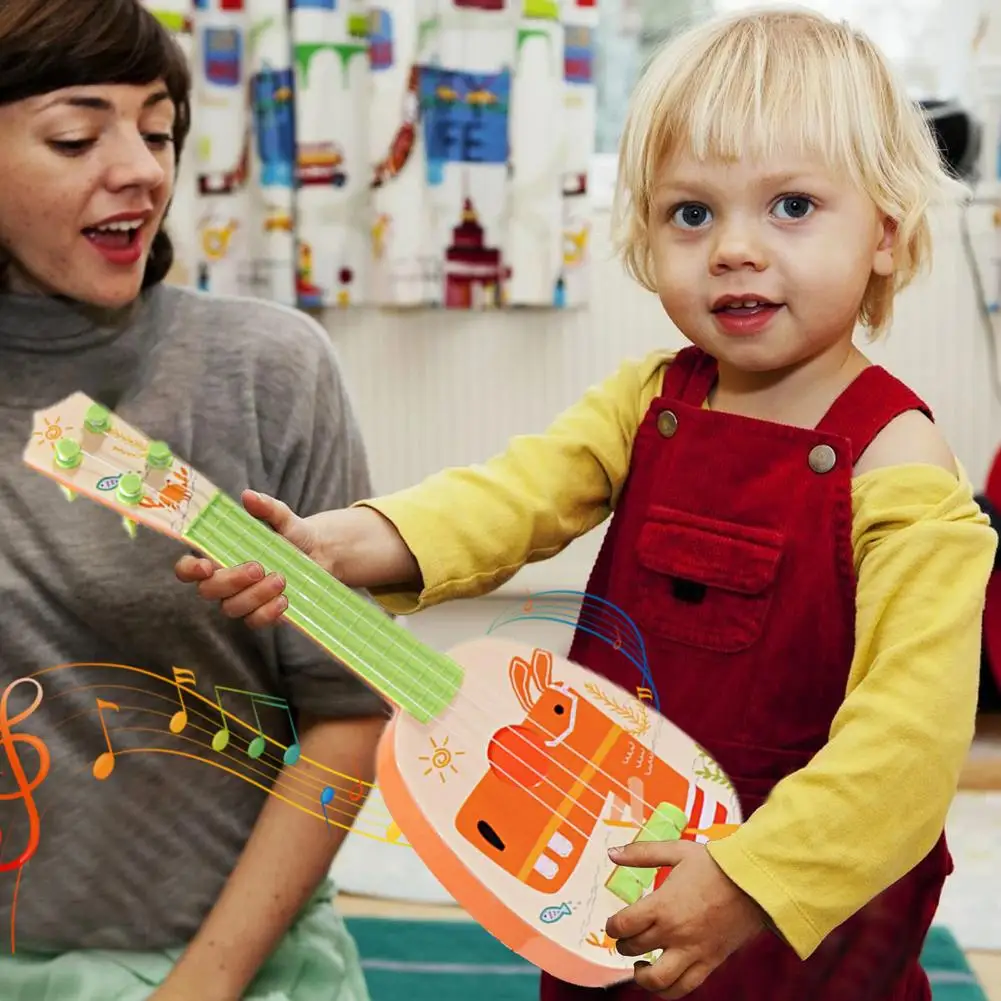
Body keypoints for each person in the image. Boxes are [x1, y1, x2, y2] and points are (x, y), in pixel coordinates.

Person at [177, 7, 998, 1001]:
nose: (731, 248)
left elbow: (905, 747)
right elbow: (509, 494)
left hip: (803, 911)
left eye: (789, 205)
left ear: (886, 232)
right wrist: (346, 540)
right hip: (605, 847)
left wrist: (748, 879)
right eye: (689, 213)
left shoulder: (901, 468)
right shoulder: (648, 400)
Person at [0, 1, 387, 998]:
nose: (141, 168)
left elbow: (350, 710)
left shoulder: (267, 365)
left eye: (159, 128)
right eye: (78, 136)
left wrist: (201, 988)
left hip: (236, 972)